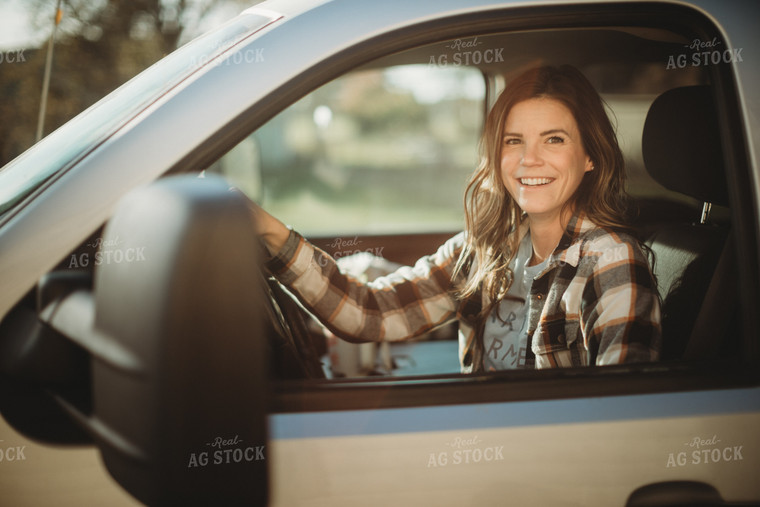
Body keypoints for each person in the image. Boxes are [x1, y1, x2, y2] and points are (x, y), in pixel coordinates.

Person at [250, 65, 661, 373]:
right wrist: (269, 231)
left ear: (590, 155)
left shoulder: (612, 262)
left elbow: (622, 410)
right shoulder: (487, 247)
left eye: (554, 139)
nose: (528, 159)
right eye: (512, 141)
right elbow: (372, 314)